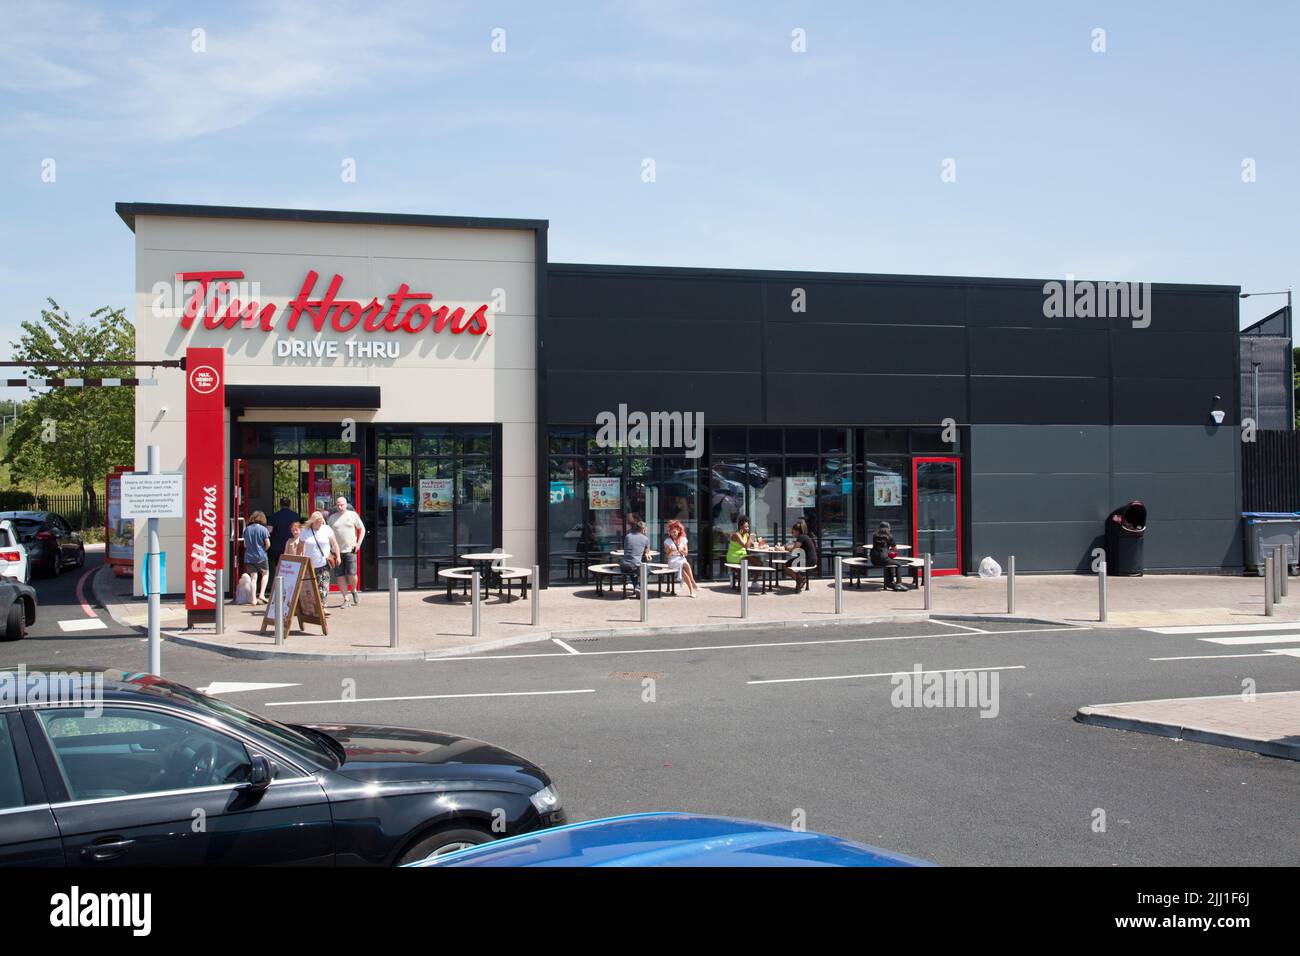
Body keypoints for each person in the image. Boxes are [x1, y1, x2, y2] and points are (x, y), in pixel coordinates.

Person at [328, 495, 367, 607]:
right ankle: (346, 599)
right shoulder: (332, 518)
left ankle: (353, 590)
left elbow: (362, 529)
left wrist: (358, 543)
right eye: (338, 504)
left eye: (342, 504)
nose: (340, 507)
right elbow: (327, 533)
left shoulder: (353, 515)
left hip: (350, 550)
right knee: (340, 575)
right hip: (336, 552)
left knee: (352, 574)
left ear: (346, 505)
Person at [301, 511, 341, 611]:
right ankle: (313, 607)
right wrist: (298, 559)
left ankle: (322, 607)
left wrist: (338, 556)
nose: (319, 524)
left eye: (321, 522)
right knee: (311, 587)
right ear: (312, 522)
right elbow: (300, 547)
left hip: (324, 563)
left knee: (323, 586)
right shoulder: (305, 531)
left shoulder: (326, 529)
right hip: (309, 564)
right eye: (317, 522)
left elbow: (335, 543)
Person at [725, 516, 766, 591]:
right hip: (734, 556)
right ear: (741, 527)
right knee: (747, 564)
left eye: (748, 527)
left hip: (743, 556)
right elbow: (746, 546)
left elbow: (752, 544)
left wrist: (761, 543)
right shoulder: (736, 535)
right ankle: (736, 579)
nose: (748, 528)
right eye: (746, 527)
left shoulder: (746, 535)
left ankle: (754, 582)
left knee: (760, 564)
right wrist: (751, 537)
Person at [242, 511, 272, 603]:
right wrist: (264, 550)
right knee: (265, 574)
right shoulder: (264, 529)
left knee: (253, 577)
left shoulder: (247, 529)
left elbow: (245, 544)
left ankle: (253, 599)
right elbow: (268, 544)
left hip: (249, 556)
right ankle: (262, 594)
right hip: (261, 556)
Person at [664, 519, 699, 597]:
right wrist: (671, 550)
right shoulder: (667, 541)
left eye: (674, 532)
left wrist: (682, 550)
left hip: (681, 559)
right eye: (671, 532)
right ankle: (692, 588)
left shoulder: (683, 540)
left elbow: (686, 553)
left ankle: (692, 586)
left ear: (679, 531)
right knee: (684, 567)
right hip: (673, 560)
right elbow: (667, 556)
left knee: (685, 564)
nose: (673, 534)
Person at [871, 520, 909, 592]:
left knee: (890, 563)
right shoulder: (889, 536)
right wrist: (891, 549)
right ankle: (899, 583)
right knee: (898, 564)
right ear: (888, 528)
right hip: (883, 558)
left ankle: (890, 582)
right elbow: (895, 549)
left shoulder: (875, 535)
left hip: (874, 559)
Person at [783, 519, 819, 593]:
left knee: (786, 565)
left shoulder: (801, 537)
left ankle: (799, 580)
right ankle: (800, 579)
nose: (792, 534)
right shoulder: (804, 537)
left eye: (792, 532)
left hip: (808, 560)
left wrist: (786, 548)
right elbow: (795, 547)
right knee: (790, 563)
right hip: (811, 559)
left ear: (797, 532)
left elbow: (794, 550)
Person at [618, 520, 651, 597]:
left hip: (624, 566)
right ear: (643, 529)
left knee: (633, 571)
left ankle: (637, 588)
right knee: (647, 569)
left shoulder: (628, 536)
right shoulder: (645, 538)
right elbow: (647, 552)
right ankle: (638, 586)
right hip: (635, 565)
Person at [268, 497, 300, 570]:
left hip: (277, 545)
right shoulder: (295, 515)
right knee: (292, 566)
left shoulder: (274, 516)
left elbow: (269, 531)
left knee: (278, 566)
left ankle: (279, 580)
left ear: (280, 505)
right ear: (290, 504)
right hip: (292, 545)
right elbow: (299, 529)